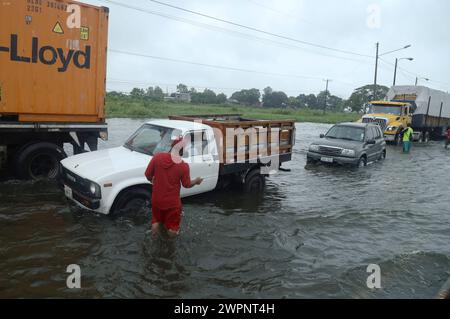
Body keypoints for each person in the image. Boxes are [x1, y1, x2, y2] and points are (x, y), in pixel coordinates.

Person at [145, 137, 203, 238]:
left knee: (156, 221)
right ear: (183, 150)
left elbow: (147, 175)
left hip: (157, 200)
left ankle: (154, 243)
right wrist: (196, 181)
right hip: (172, 204)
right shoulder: (183, 166)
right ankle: (169, 247)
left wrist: (153, 180)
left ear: (172, 146)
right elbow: (187, 184)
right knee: (173, 228)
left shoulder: (157, 157)